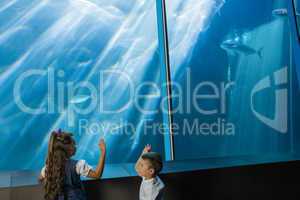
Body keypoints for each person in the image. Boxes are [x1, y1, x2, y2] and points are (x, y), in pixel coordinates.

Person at [39, 129, 106, 200]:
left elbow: (40, 178)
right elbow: (97, 174)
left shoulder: (47, 168)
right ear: (68, 149)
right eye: (74, 144)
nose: (76, 146)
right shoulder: (78, 165)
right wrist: (103, 152)